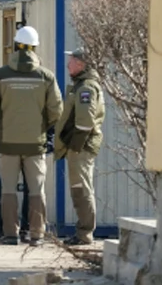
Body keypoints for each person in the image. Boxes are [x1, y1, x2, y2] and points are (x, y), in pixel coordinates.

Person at [0, 26, 62, 246]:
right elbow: (56, 109)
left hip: (8, 142)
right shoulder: (46, 76)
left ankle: (10, 234)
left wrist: (1, 126)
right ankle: (36, 234)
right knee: (36, 190)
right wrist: (42, 128)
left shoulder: (0, 75)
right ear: (35, 48)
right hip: (35, 143)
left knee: (8, 190)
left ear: (16, 46)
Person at [54, 46, 106, 246]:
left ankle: (84, 233)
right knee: (79, 187)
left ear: (81, 64)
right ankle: (83, 230)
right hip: (78, 146)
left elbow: (85, 121)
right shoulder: (81, 85)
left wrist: (74, 146)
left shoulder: (85, 88)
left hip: (81, 147)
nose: (68, 64)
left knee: (81, 188)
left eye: (72, 60)